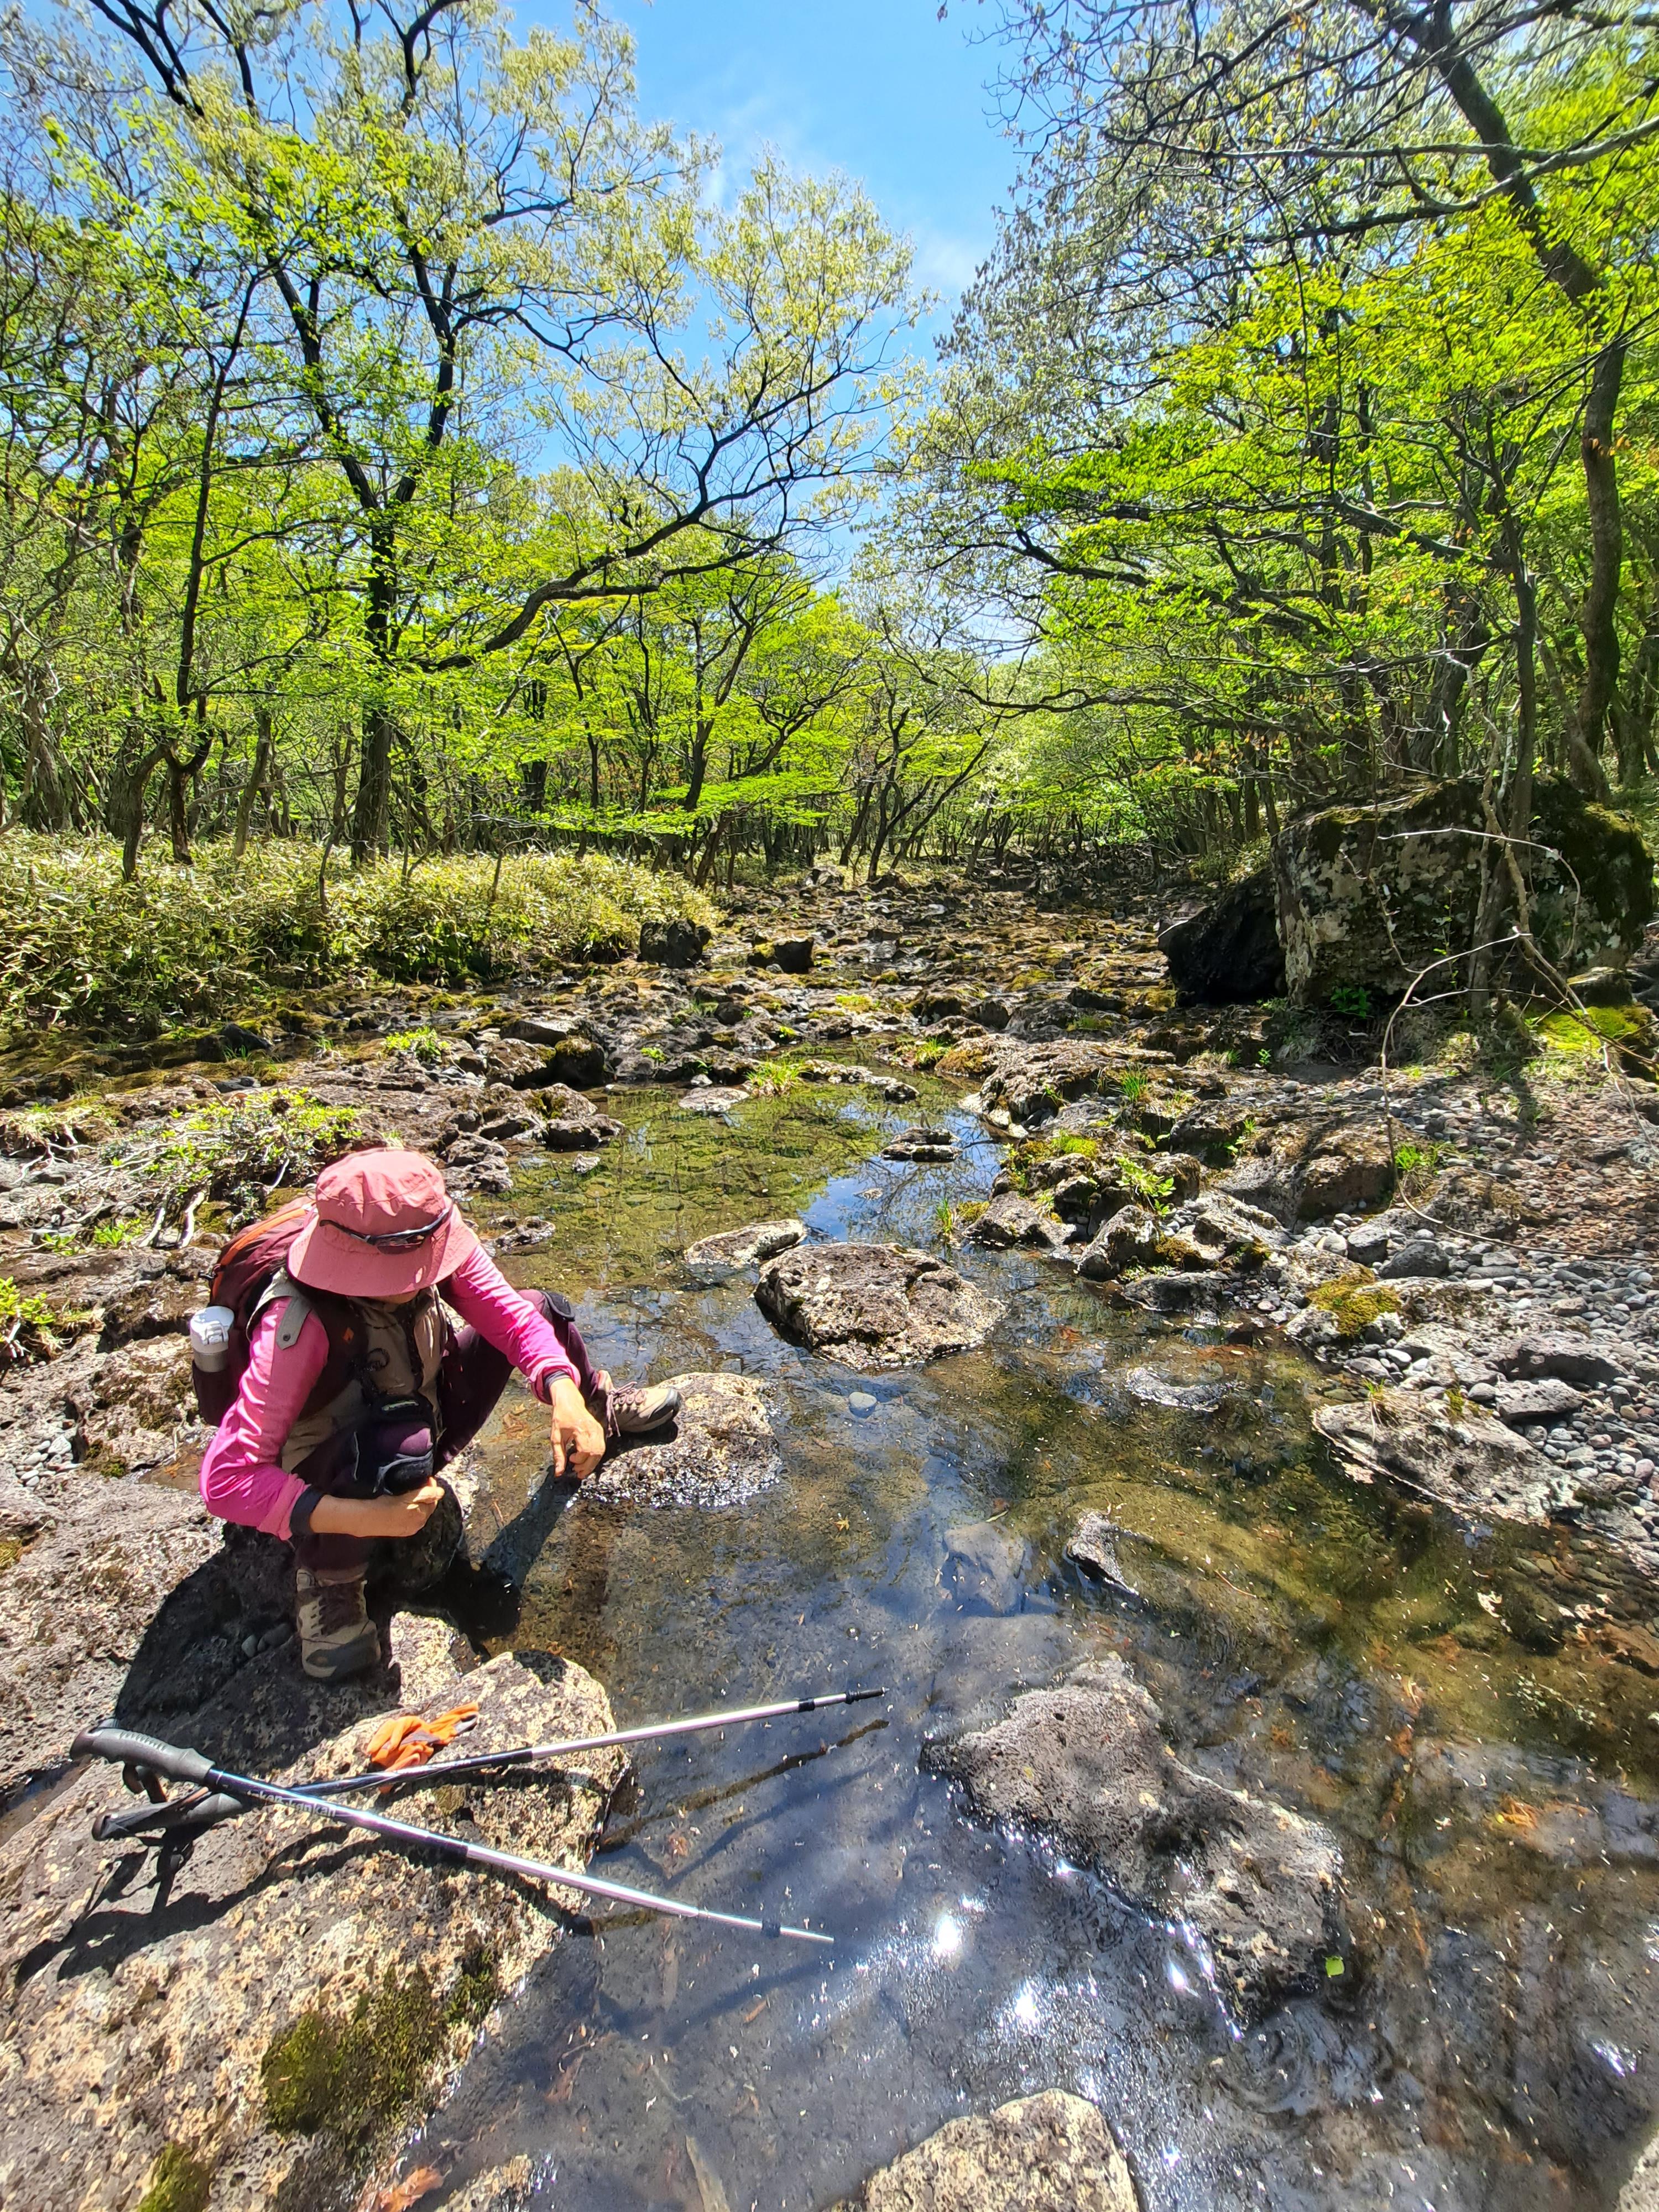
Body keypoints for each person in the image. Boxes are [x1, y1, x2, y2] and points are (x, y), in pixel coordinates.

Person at [197, 1146, 679, 1681]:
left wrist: (564, 1393)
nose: (427, 1272)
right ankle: (330, 1582)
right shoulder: (297, 1324)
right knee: (397, 1451)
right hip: (339, 1464)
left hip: (417, 1404)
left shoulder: (422, 1239)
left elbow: (514, 1321)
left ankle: (598, 1407)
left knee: (544, 1309)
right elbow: (226, 1481)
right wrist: (365, 1519)